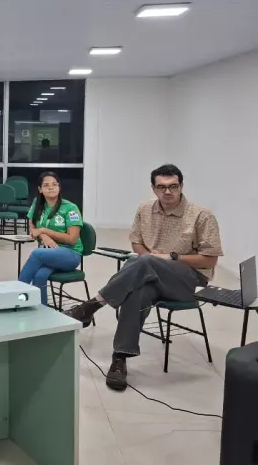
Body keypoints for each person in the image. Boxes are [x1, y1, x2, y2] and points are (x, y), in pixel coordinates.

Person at [65, 164, 222, 391]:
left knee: (146, 262)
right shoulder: (145, 209)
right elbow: (136, 243)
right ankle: (120, 358)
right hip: (150, 275)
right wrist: (150, 259)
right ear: (153, 188)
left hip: (189, 281)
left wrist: (170, 257)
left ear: (181, 186)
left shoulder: (201, 216)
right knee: (137, 291)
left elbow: (210, 260)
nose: (167, 192)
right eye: (162, 187)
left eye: (173, 186)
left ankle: (91, 306)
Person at [17, 172, 84, 305]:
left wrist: (44, 230)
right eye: (46, 185)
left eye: (54, 184)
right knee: (39, 275)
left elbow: (72, 239)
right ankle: (41, 308)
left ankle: (17, 294)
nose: (51, 187)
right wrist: (43, 236)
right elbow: (33, 227)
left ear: (59, 187)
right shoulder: (37, 203)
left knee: (37, 254)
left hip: (70, 254)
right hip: (49, 253)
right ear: (40, 189)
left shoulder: (71, 208)